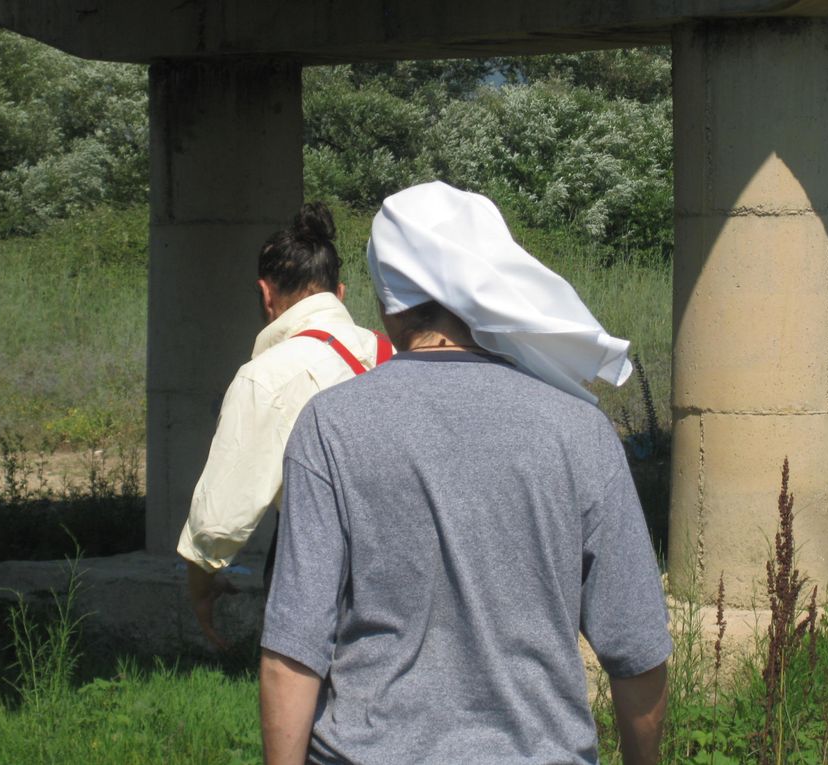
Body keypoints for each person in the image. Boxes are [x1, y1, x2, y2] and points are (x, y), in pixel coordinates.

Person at [259, 182, 672, 764]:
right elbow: (637, 654)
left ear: (386, 303)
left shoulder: (331, 426)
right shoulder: (580, 432)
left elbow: (291, 655)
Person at [177, 202, 392, 649]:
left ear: (265, 293)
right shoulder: (393, 355)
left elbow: (219, 522)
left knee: (312, 710)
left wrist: (202, 585)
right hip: (407, 558)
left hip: (321, 564)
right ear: (341, 293)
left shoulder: (266, 376)